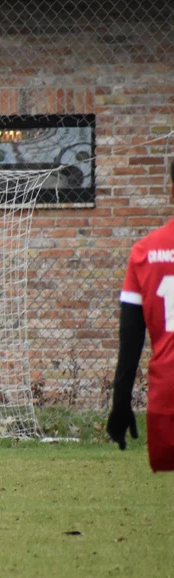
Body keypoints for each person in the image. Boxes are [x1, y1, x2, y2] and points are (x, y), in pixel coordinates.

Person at [107, 159, 174, 472]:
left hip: (167, 396)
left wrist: (121, 403)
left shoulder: (145, 252)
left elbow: (130, 344)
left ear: (171, 192)